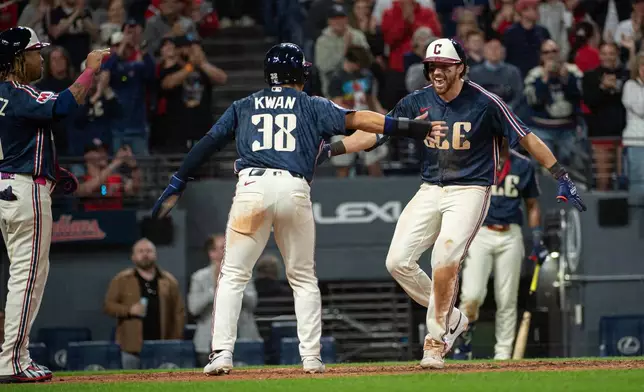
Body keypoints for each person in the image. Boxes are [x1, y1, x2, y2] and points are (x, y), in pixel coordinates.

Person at [150, 42, 439, 375]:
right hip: (293, 188)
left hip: (252, 188)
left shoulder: (244, 105)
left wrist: (178, 181)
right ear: (299, 73)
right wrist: (410, 127)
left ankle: (221, 355)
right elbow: (360, 119)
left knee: (232, 276)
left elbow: (206, 144)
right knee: (303, 279)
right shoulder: (311, 104)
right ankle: (311, 358)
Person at [321, 38, 586, 369]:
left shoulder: (485, 102)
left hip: (471, 190)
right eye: (432, 66)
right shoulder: (417, 100)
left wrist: (559, 173)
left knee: (444, 257)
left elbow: (526, 137)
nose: (436, 72)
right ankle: (454, 319)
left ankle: (435, 340)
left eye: (444, 66)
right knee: (397, 262)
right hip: (430, 187)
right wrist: (332, 150)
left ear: (461, 67)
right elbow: (377, 134)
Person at [0, 26, 109, 384]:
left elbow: (20, 139)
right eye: (34, 51)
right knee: (27, 278)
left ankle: (15, 357)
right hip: (22, 191)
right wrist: (90, 68)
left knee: (22, 276)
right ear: (16, 60)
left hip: (10, 186)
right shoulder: (15, 93)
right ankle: (13, 360)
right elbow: (64, 104)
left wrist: (50, 170)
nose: (40, 57)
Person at [453, 141, 545, 361]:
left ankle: (503, 354)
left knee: (507, 299)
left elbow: (532, 204)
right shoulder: (476, 159)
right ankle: (463, 344)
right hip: (480, 233)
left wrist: (537, 237)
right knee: (472, 295)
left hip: (511, 234)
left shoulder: (523, 165)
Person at [103, 238, 186, 369]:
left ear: (155, 254)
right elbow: (108, 306)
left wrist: (174, 340)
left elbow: (179, 312)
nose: (145, 254)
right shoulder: (122, 280)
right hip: (131, 348)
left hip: (162, 346)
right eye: (140, 251)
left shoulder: (169, 281)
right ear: (133, 256)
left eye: (149, 251)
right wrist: (129, 310)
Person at [188, 234, 260, 367]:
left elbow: (253, 303)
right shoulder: (199, 278)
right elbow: (193, 308)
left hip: (243, 338)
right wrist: (214, 291)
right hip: (208, 342)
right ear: (212, 253)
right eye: (223, 248)